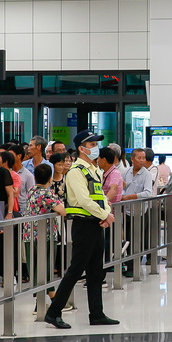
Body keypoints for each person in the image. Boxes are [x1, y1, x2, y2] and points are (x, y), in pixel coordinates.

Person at [43, 130, 118, 329]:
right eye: (92, 145)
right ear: (81, 148)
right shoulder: (76, 171)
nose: (96, 148)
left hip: (96, 223)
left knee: (95, 271)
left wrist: (105, 214)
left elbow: (101, 197)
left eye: (96, 144)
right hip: (84, 225)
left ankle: (97, 313)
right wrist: (104, 215)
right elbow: (84, 200)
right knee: (76, 270)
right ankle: (54, 311)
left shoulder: (94, 170)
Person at [23, 164, 68, 311]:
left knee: (35, 267)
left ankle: (45, 300)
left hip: (29, 235)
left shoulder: (31, 191)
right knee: (47, 267)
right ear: (50, 179)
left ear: (35, 177)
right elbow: (62, 210)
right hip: (46, 236)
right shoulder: (47, 194)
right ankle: (49, 301)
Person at [121, 148, 155, 278]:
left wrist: (130, 197)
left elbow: (148, 192)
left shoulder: (146, 174)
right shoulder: (127, 172)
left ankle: (134, 266)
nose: (142, 160)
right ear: (132, 159)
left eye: (143, 158)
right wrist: (122, 197)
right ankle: (129, 265)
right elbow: (123, 188)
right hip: (127, 211)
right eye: (139, 158)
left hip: (140, 211)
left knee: (138, 239)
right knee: (128, 239)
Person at [9, 145, 35, 217]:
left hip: (22, 210)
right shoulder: (7, 172)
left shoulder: (28, 175)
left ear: (19, 156)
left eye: (11, 155)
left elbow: (31, 195)